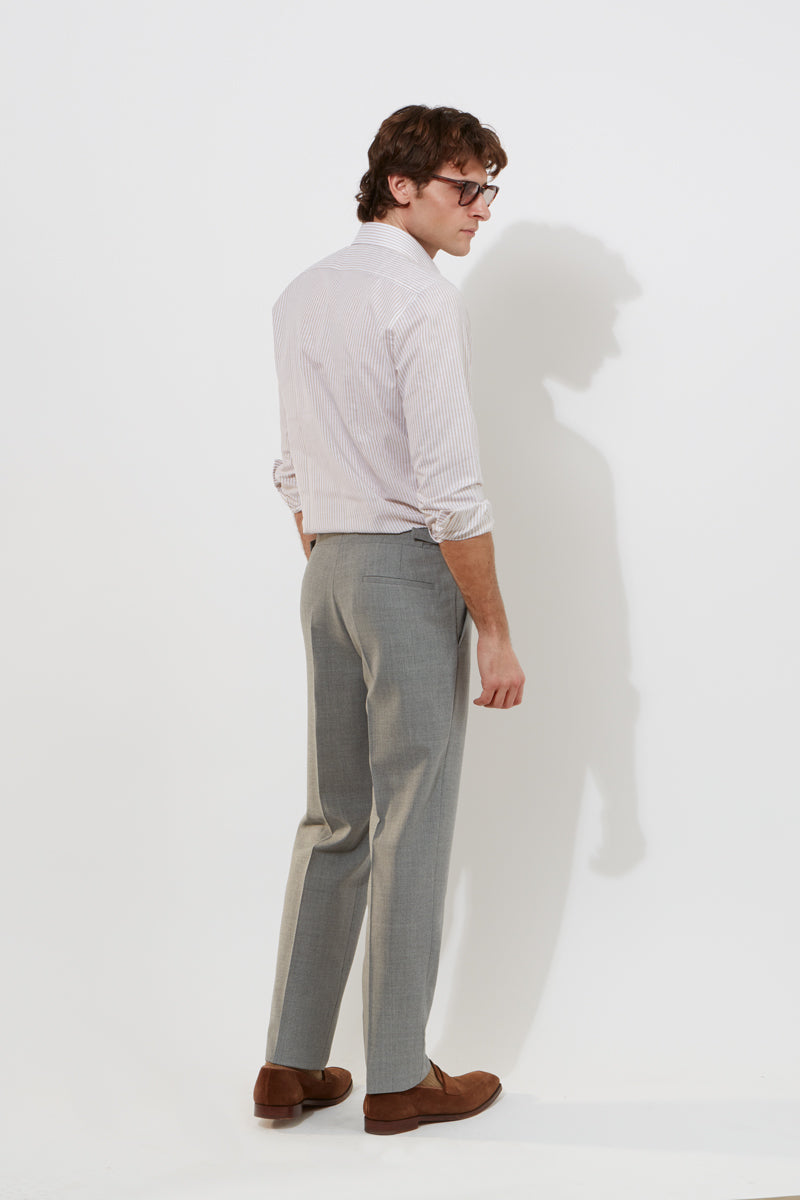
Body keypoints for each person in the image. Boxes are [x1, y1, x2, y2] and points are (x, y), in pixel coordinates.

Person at [252, 104, 525, 1136]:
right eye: (464, 186)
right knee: (412, 823)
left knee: (334, 818)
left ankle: (289, 1065)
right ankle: (401, 1078)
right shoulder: (420, 299)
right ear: (399, 186)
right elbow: (451, 489)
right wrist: (491, 629)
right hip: (408, 570)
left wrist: (337, 561)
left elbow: (293, 464)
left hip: (326, 567)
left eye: (488, 188)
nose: (480, 208)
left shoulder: (302, 292)